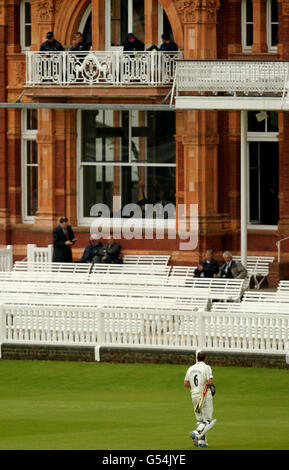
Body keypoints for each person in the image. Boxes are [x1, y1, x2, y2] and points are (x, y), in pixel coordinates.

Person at [184, 350, 216, 448]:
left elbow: (186, 383)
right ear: (205, 358)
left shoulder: (190, 368)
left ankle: (202, 442)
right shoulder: (206, 367)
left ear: (197, 358)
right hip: (204, 395)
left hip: (194, 395)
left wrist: (194, 387)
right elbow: (210, 381)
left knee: (200, 419)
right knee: (208, 420)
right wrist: (211, 387)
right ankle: (196, 433)